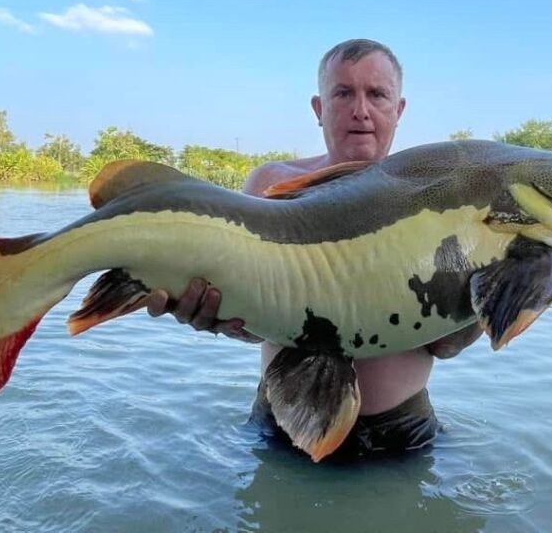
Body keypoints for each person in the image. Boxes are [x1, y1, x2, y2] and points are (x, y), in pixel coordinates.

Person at [145, 39, 482, 457]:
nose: (361, 110)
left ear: (399, 109)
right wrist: (212, 317)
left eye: (377, 94)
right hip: (284, 426)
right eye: (343, 93)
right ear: (319, 108)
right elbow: (254, 330)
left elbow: (445, 345)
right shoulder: (270, 186)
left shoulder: (443, 198)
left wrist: (499, 297)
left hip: (402, 432)